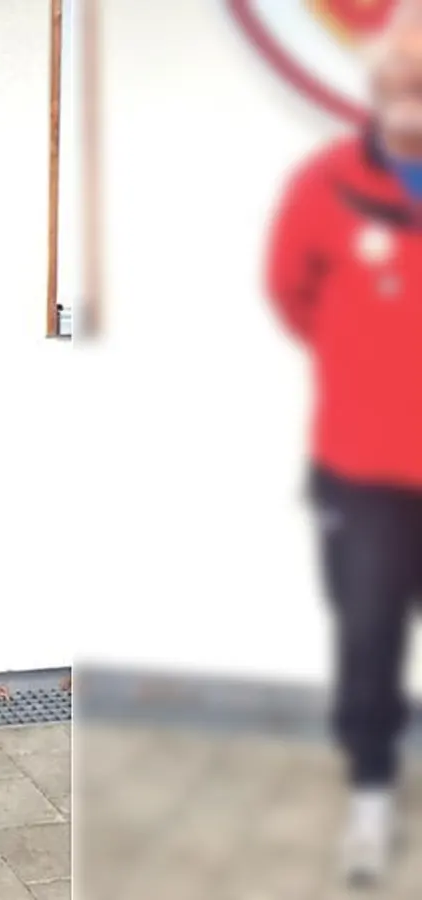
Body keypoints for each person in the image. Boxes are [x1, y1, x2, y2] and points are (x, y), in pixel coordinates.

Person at [265, 13, 422, 889]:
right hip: (362, 469)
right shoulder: (327, 184)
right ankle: (370, 793)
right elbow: (294, 294)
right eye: (399, 69)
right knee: (368, 638)